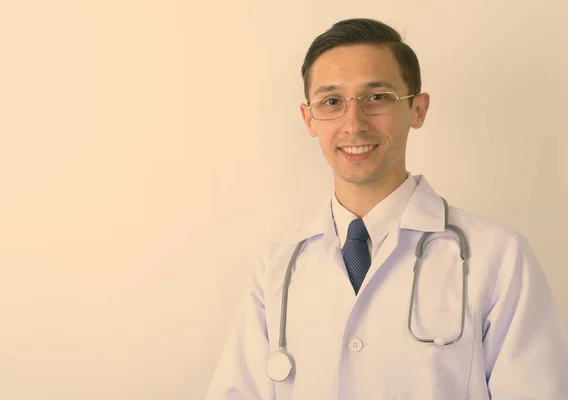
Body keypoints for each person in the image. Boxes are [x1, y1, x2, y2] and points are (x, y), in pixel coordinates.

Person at [204, 18, 568, 399]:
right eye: (331, 102)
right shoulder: (277, 268)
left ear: (418, 109)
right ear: (309, 119)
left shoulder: (498, 258)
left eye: (376, 98)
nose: (354, 123)